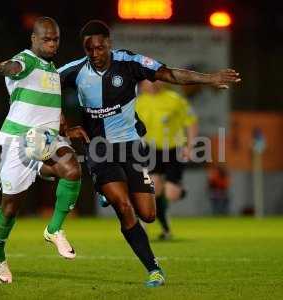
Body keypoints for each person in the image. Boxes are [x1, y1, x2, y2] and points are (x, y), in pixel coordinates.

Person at [58, 20, 240, 287]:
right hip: (99, 148)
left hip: (131, 146)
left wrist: (209, 78)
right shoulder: (74, 71)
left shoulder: (128, 62)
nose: (95, 54)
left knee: (148, 214)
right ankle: (153, 269)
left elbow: (168, 74)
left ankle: (112, 191)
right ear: (84, 49)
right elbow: (43, 87)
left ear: (110, 43)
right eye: (90, 49)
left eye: (100, 47)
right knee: (123, 206)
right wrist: (64, 126)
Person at [0, 17, 89, 284]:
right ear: (34, 39)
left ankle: (54, 229)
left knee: (72, 170)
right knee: (10, 208)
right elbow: (14, 67)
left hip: (46, 140)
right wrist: (1, 66)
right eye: (46, 39)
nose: (52, 44)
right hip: (18, 143)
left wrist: (66, 128)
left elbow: (49, 108)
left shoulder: (52, 70)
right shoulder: (26, 60)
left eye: (56, 39)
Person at [135, 80, 198, 240]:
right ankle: (158, 228)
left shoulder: (175, 99)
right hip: (151, 150)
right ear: (141, 86)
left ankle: (178, 190)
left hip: (173, 149)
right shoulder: (137, 102)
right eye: (147, 83)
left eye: (154, 81)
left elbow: (191, 122)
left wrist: (190, 146)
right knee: (153, 189)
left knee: (171, 194)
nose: (151, 85)